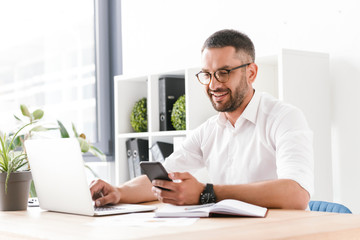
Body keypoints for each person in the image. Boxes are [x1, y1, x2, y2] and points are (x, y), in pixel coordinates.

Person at [90, 29, 313, 210]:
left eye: (224, 72)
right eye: (207, 74)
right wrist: (118, 192)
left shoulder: (284, 118)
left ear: (251, 73)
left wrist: (208, 193)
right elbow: (164, 178)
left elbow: (296, 194)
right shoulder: (209, 130)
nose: (213, 85)